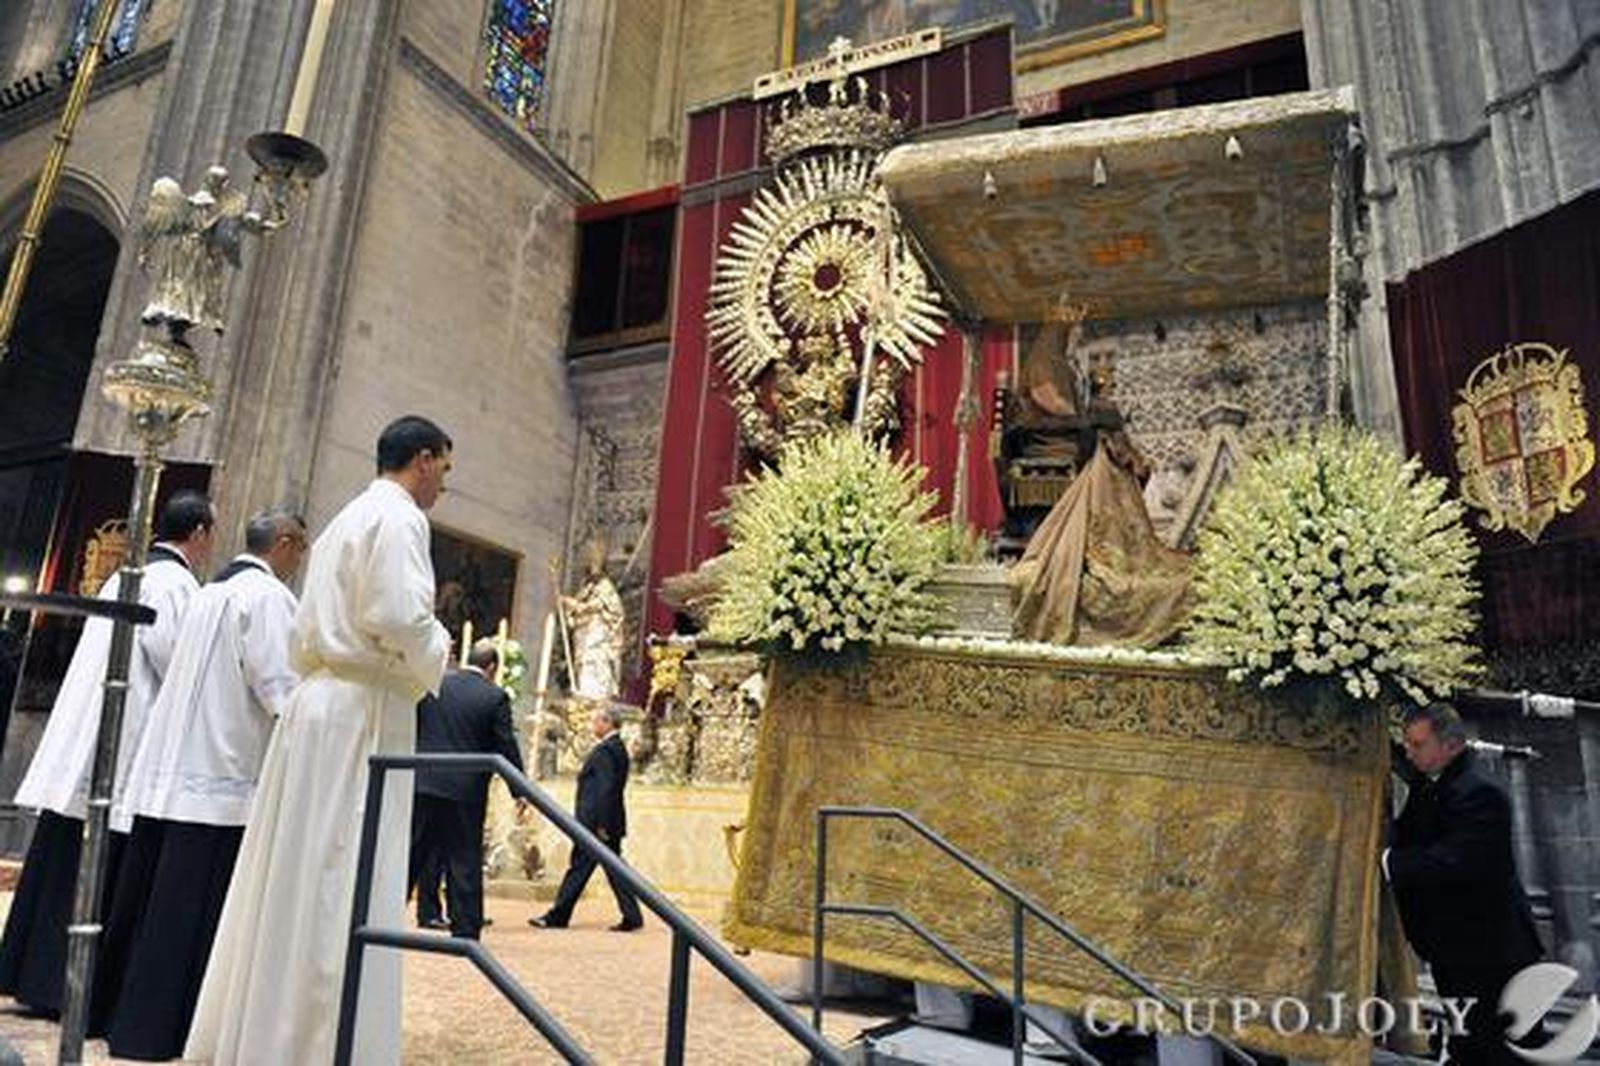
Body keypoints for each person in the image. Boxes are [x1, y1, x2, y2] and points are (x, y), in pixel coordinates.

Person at [186, 416, 452, 1066]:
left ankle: (265, 1032)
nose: (444, 482)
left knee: (295, 873)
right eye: (444, 467)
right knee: (338, 874)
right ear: (422, 460)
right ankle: (313, 1043)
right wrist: (441, 650)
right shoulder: (400, 518)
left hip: (320, 706)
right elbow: (396, 615)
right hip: (358, 709)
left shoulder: (345, 519)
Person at [92, 510, 307, 1059]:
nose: (300, 559)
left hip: (166, 776)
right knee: (184, 920)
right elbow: (280, 688)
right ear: (284, 544)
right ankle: (161, 1031)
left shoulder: (208, 592)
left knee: (144, 911)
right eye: (300, 548)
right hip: (218, 778)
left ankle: (122, 1020)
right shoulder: (268, 599)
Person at [0, 490, 213, 1016]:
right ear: (201, 533)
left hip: (84, 735)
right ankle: (61, 989)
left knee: (59, 856)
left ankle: (29, 975)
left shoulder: (129, 573)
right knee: (91, 863)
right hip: (122, 741)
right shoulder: (177, 583)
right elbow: (172, 659)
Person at [1384, 703, 1543, 1065]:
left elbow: (1453, 862)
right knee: (1469, 1047)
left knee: (1504, 1050)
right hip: (1457, 949)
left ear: (1451, 745)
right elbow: (1409, 769)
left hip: (1492, 954)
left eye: (1416, 744)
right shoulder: (1439, 777)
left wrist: (1388, 861)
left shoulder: (1479, 792)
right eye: (1406, 744)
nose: (1409, 751)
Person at [408, 638, 525, 940]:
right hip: (465, 789)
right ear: (492, 667)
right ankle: (465, 928)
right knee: (464, 857)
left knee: (413, 852)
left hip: (423, 782)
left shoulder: (435, 685)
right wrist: (519, 789)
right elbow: (505, 744)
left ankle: (378, 911)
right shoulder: (494, 696)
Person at [529, 706, 643, 932]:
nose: (593, 726)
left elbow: (605, 789)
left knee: (581, 868)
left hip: (597, 824)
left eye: (596, 722)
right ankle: (632, 915)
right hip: (607, 821)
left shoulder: (606, 751)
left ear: (607, 723)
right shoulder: (617, 747)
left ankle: (557, 916)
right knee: (613, 870)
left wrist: (600, 824)